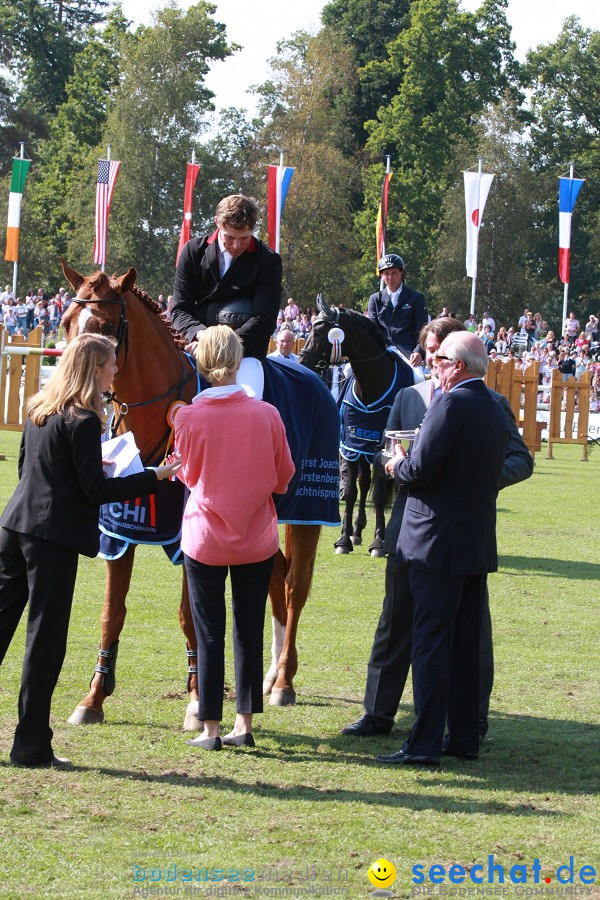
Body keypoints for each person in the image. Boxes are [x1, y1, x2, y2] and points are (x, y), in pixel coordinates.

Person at [342, 319, 532, 744]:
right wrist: (390, 460)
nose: (431, 360)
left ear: (457, 360)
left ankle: (466, 723)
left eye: (438, 353)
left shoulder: (489, 402)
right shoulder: (409, 397)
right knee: (396, 623)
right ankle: (378, 713)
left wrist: (473, 480)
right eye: (428, 351)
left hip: (450, 529)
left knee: (463, 634)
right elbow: (386, 449)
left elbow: (520, 460)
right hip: (408, 526)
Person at [0, 333, 181, 767]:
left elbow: (31, 471)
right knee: (44, 643)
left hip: (14, 526)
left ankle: (31, 742)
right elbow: (96, 490)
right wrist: (154, 475)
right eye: (111, 363)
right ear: (94, 367)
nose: (116, 369)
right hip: (52, 538)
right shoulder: (82, 420)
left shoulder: (40, 409)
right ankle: (30, 745)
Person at [174, 326, 294, 751]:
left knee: (209, 632)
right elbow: (283, 479)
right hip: (256, 538)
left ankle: (210, 726)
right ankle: (244, 724)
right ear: (239, 361)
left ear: (203, 363)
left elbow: (187, 475)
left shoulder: (187, 417)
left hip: (205, 537)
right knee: (249, 628)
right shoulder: (267, 415)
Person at [171, 194, 282, 399]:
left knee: (250, 403)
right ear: (217, 223)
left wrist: (222, 345)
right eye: (230, 237)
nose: (237, 245)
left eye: (244, 238)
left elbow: (265, 319)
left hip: (244, 354)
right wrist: (203, 336)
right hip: (198, 346)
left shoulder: (268, 261)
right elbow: (179, 309)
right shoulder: (193, 251)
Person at [367, 254, 428, 361]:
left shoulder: (416, 297)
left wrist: (419, 351)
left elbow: (423, 329)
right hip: (382, 351)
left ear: (401, 272)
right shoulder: (374, 299)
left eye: (394, 273)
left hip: (408, 351)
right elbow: (373, 329)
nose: (390, 278)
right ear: (381, 275)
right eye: (386, 274)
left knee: (418, 377)